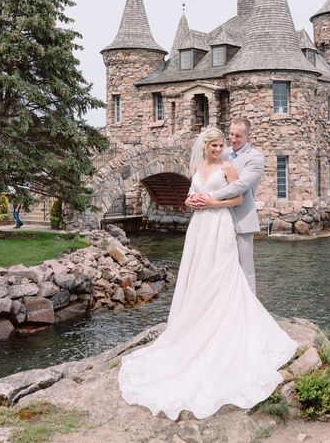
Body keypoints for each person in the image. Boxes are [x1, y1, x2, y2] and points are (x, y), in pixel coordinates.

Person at [118, 127, 296, 420]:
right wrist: (192, 201)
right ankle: (198, 316)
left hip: (221, 223)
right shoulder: (199, 166)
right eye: (216, 144)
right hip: (200, 226)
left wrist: (211, 200)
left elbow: (238, 197)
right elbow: (190, 194)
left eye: (223, 143)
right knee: (199, 272)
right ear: (205, 146)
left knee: (228, 272)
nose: (221, 148)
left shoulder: (234, 165)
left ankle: (239, 319)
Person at [193, 117, 264, 294]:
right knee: (221, 267)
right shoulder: (222, 152)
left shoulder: (255, 158)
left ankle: (250, 311)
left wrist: (210, 197)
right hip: (217, 221)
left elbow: (240, 186)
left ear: (248, 135)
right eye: (231, 134)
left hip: (242, 219)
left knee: (245, 267)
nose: (233, 139)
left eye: (238, 136)